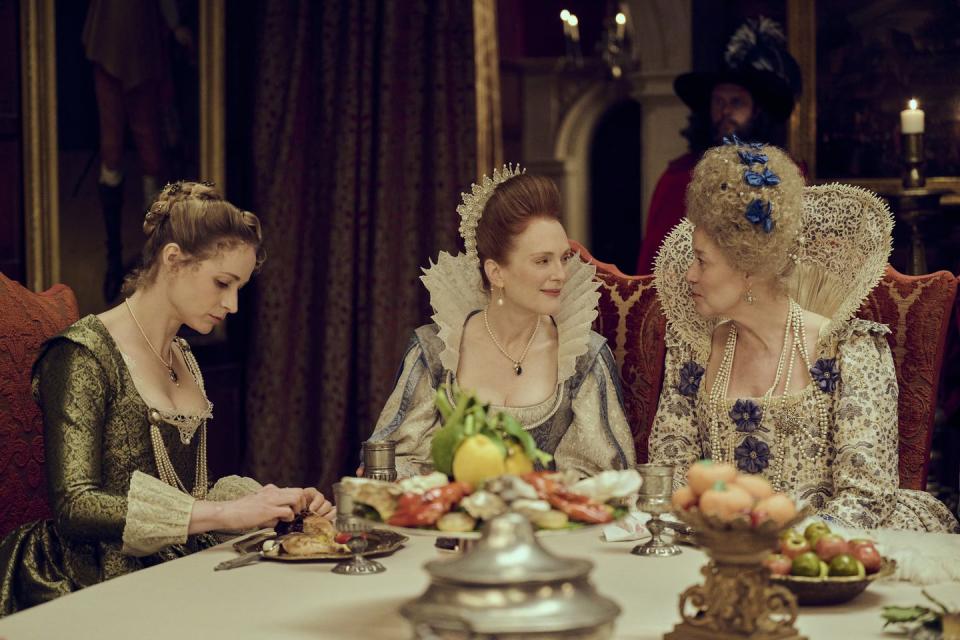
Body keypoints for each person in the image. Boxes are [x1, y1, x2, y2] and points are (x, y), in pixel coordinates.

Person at [0, 182, 334, 616]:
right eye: (222, 283)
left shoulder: (184, 356)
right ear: (173, 259)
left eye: (239, 288)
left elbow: (183, 489)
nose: (232, 304)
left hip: (171, 555)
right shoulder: (82, 355)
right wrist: (226, 515)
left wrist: (272, 503)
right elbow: (76, 507)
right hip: (88, 576)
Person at [648, 141, 959, 532]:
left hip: (832, 549)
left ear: (748, 268)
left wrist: (787, 544)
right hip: (721, 546)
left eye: (702, 260)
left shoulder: (848, 349)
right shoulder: (693, 350)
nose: (690, 274)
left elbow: (866, 495)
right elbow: (673, 469)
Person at [366, 167, 636, 479]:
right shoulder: (437, 350)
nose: (560, 274)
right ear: (496, 273)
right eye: (542, 261)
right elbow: (397, 461)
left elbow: (600, 476)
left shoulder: (583, 356)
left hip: (549, 525)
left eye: (563, 258)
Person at [635, 17, 802, 275]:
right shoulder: (679, 178)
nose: (725, 111)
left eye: (736, 102)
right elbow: (655, 265)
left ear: (757, 111)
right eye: (718, 101)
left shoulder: (783, 175)